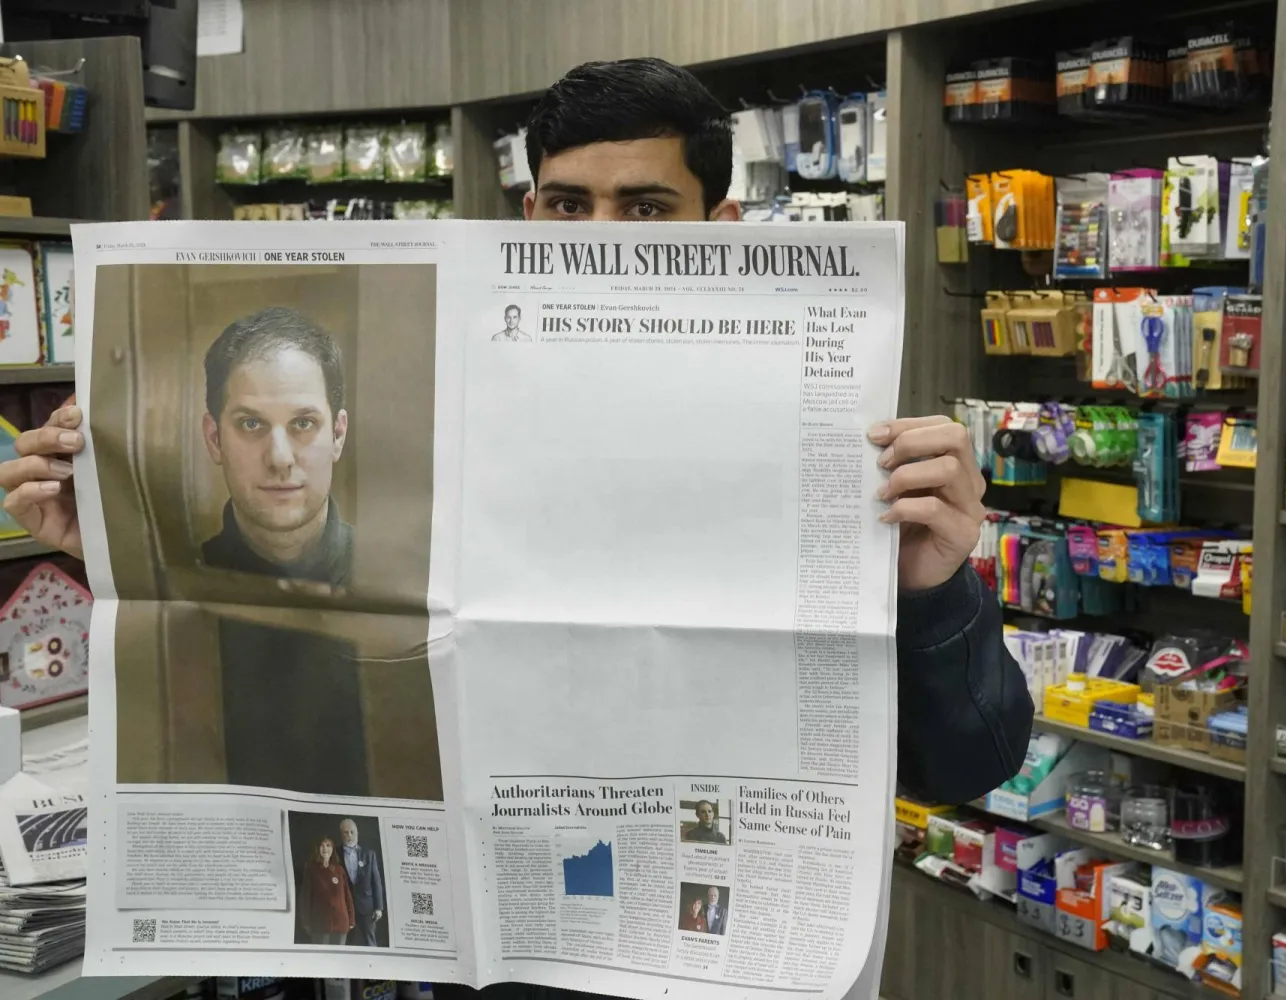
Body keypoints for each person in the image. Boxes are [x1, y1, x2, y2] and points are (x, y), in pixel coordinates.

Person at [0, 55, 1033, 1000]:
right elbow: (320, 648)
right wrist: (130, 547)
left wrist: (935, 585)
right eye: (568, 204)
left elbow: (971, 762)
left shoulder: (830, 434)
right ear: (526, 210)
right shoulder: (452, 429)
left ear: (717, 229)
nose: (597, 239)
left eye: (644, 207)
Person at [200, 306, 352, 585]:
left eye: (303, 423)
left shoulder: (401, 578)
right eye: (251, 424)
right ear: (214, 439)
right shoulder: (170, 582)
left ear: (337, 435)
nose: (280, 459)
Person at [298, 836, 355, 946]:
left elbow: (347, 896)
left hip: (341, 923)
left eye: (328, 845)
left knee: (339, 959)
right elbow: (305, 898)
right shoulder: (311, 869)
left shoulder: (339, 869)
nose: (325, 848)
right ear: (317, 849)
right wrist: (306, 922)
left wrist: (351, 919)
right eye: (322, 845)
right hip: (320, 924)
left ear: (332, 849)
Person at [339, 818, 385, 948]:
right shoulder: (335, 854)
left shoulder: (369, 854)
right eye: (345, 832)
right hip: (344, 907)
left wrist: (378, 907)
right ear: (341, 834)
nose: (349, 835)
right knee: (345, 943)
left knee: (370, 941)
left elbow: (376, 881)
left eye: (352, 832)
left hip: (367, 907)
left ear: (357, 833)